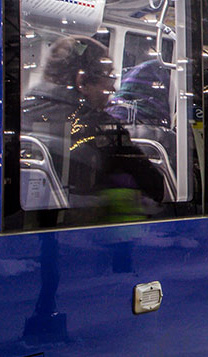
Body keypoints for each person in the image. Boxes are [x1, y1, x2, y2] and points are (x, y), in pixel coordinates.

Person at [22, 36, 166, 221]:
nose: (113, 90)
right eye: (109, 77)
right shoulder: (102, 128)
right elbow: (155, 186)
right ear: (82, 82)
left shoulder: (21, 113)